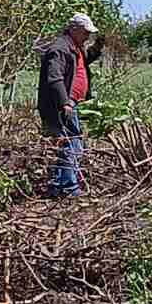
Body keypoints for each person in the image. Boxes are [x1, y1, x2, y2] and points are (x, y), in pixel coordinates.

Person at [37, 12, 98, 198]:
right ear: (74, 29)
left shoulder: (74, 47)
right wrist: (65, 104)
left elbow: (82, 63)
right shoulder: (60, 49)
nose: (87, 36)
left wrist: (98, 48)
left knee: (68, 143)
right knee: (72, 144)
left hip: (70, 103)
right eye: (85, 32)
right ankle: (69, 187)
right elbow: (55, 79)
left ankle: (59, 185)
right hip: (61, 106)